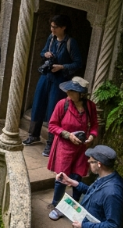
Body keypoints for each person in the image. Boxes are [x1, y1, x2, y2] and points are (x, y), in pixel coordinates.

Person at [23, 14, 83, 156]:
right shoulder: (51, 39)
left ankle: (50, 143)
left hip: (59, 80)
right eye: (51, 26)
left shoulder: (70, 43)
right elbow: (42, 52)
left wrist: (62, 66)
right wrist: (46, 54)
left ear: (63, 27)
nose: (52, 29)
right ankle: (33, 134)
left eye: (55, 27)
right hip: (46, 76)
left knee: (53, 110)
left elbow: (78, 63)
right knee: (38, 104)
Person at [46, 77, 98, 221]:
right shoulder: (62, 104)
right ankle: (57, 205)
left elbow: (94, 125)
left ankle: (74, 207)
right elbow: (52, 125)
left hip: (81, 149)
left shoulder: (90, 106)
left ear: (81, 94)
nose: (68, 92)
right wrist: (68, 135)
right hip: (65, 147)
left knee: (76, 177)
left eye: (72, 90)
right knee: (62, 177)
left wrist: (92, 136)